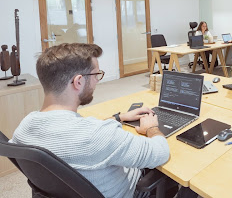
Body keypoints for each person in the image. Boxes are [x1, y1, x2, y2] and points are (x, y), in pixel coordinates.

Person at [10, 43, 195, 198]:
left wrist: (119, 118)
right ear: (78, 82)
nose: (98, 81)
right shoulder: (100, 136)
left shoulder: (23, 128)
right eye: (96, 75)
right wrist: (152, 129)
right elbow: (160, 152)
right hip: (134, 191)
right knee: (188, 178)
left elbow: (83, 133)